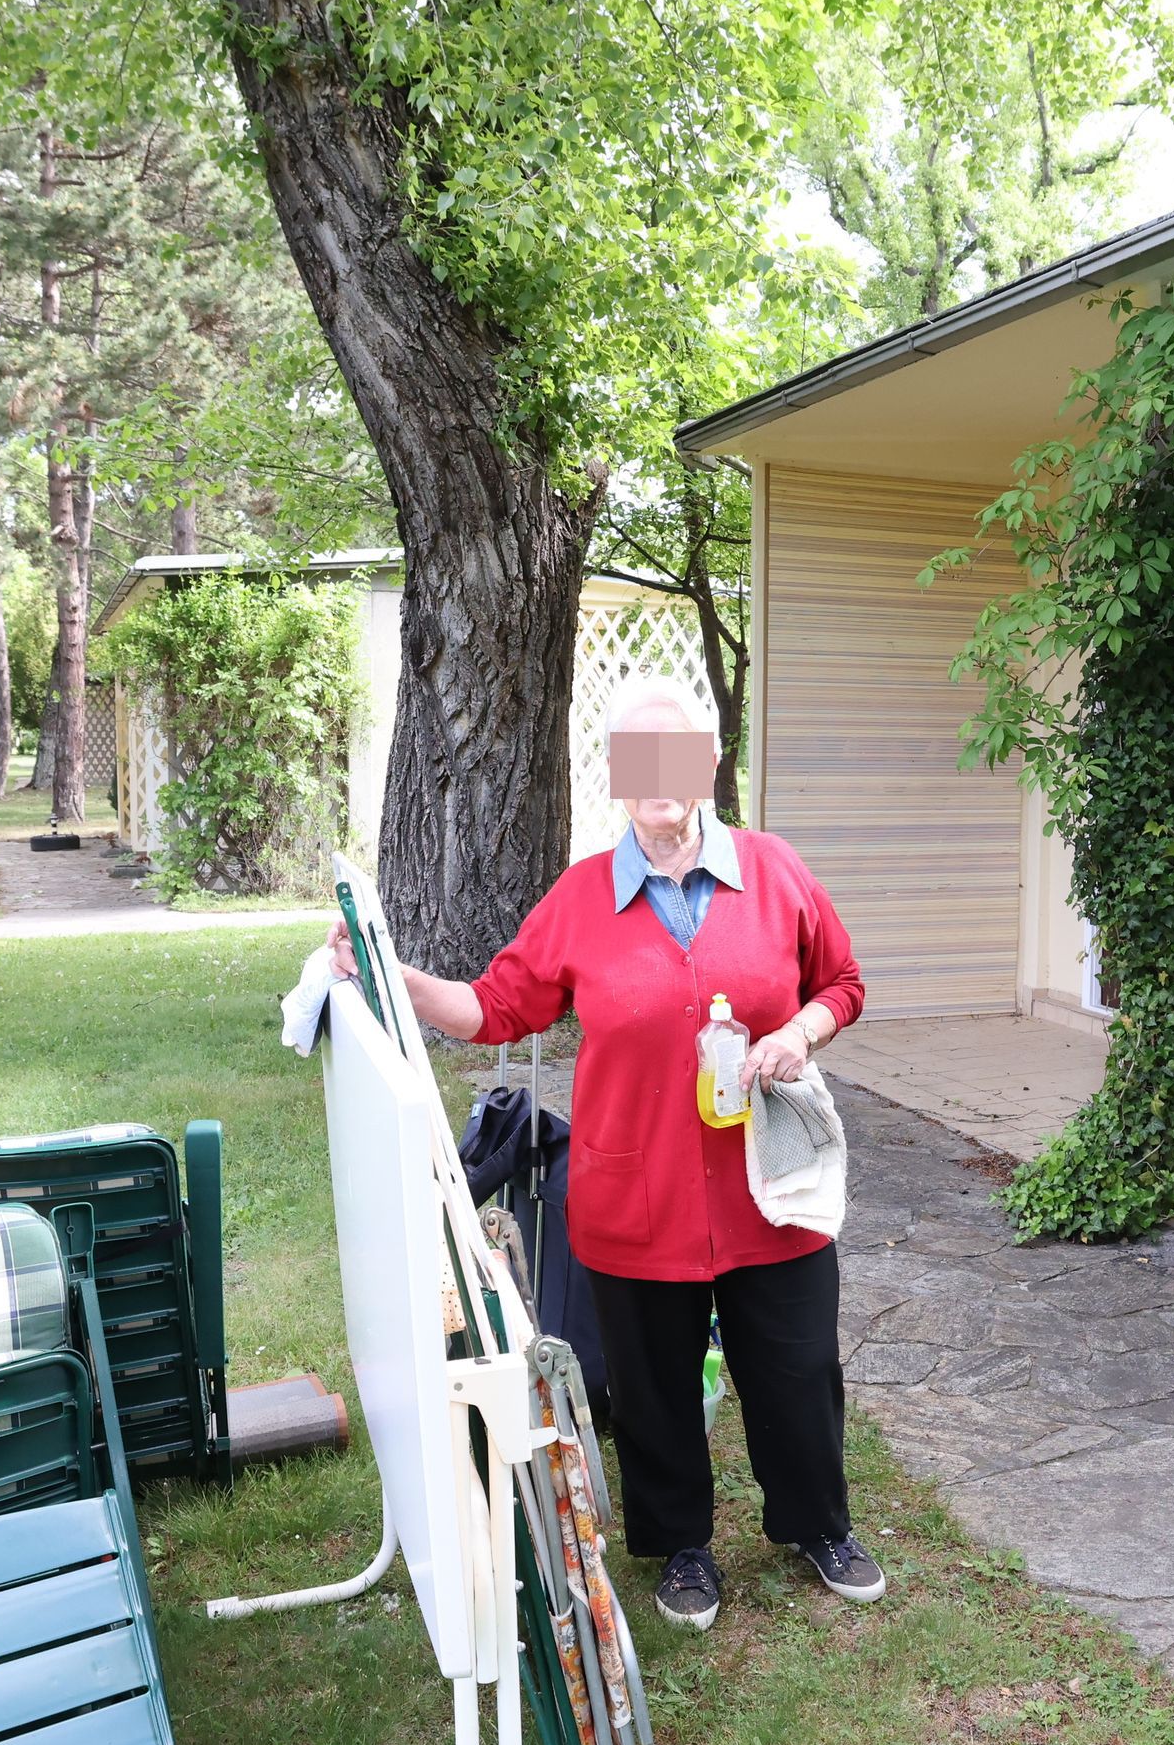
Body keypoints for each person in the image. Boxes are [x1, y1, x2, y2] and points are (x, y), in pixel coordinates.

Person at [327, 681, 877, 1628]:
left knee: (796, 1367)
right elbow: (495, 1007)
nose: (661, 777)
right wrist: (393, 974)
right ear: (621, 780)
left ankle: (818, 1522)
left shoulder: (775, 871)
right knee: (653, 1386)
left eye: (678, 753)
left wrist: (802, 1032)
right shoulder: (584, 897)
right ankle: (683, 1548)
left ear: (705, 766)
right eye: (640, 757)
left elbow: (844, 981)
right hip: (638, 1197)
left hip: (767, 1191)